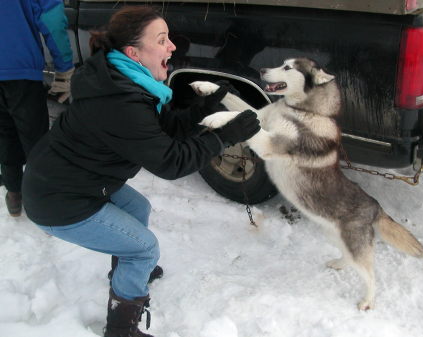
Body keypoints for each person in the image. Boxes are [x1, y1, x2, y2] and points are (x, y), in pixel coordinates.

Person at [22, 6, 260, 337]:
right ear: (134, 52)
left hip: (73, 179)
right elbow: (171, 162)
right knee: (144, 247)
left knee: (138, 208)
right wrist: (224, 138)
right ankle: (121, 329)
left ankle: (128, 272)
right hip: (59, 199)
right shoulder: (120, 101)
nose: (173, 46)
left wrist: (199, 111)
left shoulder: (124, 80)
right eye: (162, 40)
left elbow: (159, 130)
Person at [0, 0, 74, 216]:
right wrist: (65, 68)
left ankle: (14, 193)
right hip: (21, 70)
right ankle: (43, 199)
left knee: (4, 135)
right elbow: (52, 21)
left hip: (17, 68)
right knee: (36, 141)